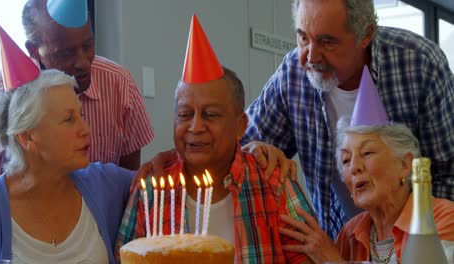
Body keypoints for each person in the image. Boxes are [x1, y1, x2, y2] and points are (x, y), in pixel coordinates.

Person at [241, 0, 454, 239]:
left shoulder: (420, 64)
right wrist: (258, 151)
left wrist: (419, 244)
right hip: (340, 243)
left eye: (327, 42)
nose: (310, 57)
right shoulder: (292, 75)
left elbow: (447, 173)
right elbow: (242, 148)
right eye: (303, 38)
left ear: (366, 34)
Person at [115, 15, 313, 263]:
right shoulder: (153, 191)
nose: (195, 127)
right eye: (185, 115)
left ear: (241, 126)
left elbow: (311, 257)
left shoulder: (274, 182)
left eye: (210, 115)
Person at [277, 67, 454, 263]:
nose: (354, 168)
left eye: (367, 153)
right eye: (345, 160)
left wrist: (333, 260)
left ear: (405, 164)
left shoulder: (443, 217)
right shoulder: (350, 233)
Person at [0, 0, 154, 182]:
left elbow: (128, 182)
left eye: (88, 45)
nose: (82, 63)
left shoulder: (120, 85)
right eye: (66, 53)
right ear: (34, 51)